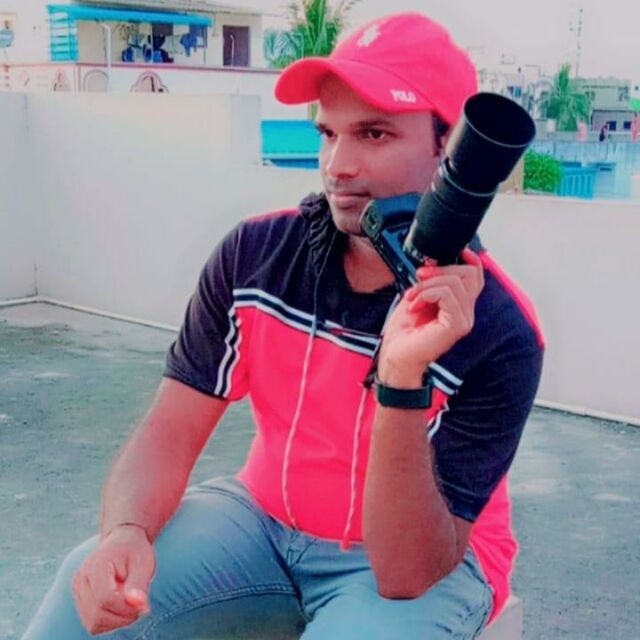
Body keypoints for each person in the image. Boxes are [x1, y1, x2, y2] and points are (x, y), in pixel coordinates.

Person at [22, 12, 544, 640]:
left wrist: (401, 377)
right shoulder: (256, 256)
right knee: (84, 588)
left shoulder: (499, 330)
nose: (339, 165)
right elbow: (171, 428)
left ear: (449, 148)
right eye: (328, 133)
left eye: (374, 134)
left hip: (429, 560)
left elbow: (406, 573)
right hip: (261, 524)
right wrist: (126, 532)